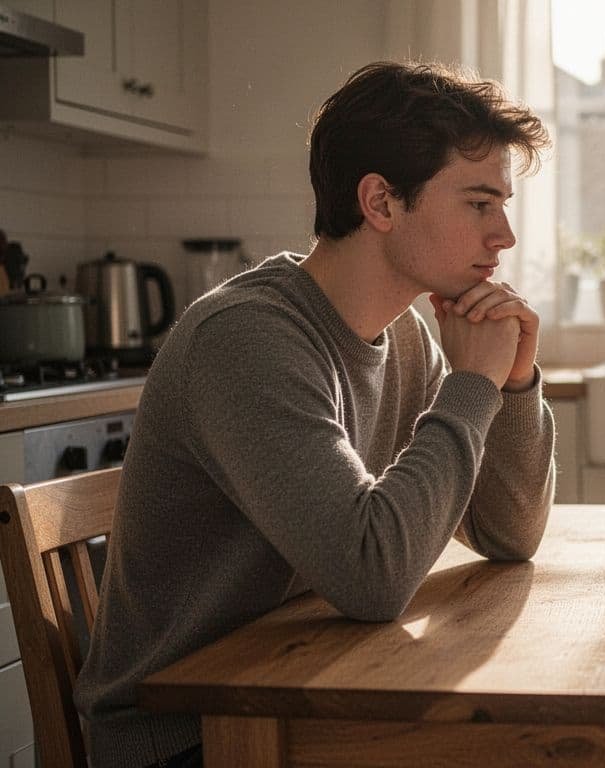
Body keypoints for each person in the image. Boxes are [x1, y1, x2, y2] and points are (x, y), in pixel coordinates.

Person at [74, 61, 555, 768]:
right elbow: (372, 576)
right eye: (480, 204)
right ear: (382, 203)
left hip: (305, 686)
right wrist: (473, 385)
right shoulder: (243, 338)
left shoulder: (408, 338)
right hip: (188, 735)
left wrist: (512, 385)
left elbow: (509, 534)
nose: (505, 236)